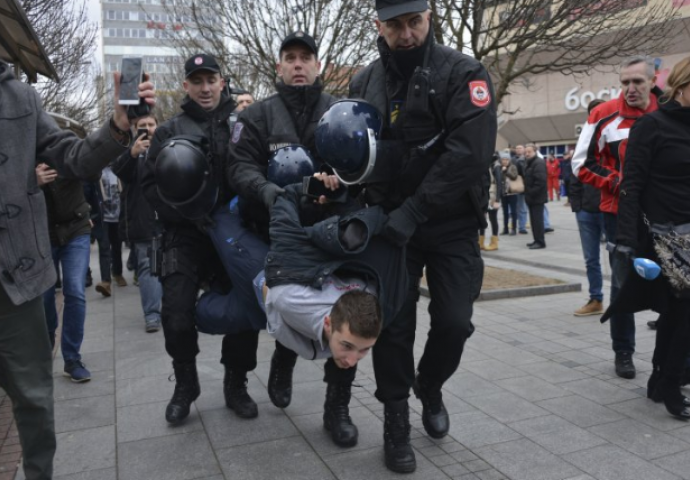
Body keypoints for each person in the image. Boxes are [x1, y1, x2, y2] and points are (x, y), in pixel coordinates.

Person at [349, 0, 496, 472]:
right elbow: (355, 149)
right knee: (392, 325)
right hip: (393, 225)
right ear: (379, 26)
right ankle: (396, 422)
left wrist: (416, 208)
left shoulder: (463, 71)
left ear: (429, 17)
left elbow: (469, 152)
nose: (407, 33)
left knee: (454, 321)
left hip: (450, 221)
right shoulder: (363, 81)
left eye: (414, 21)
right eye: (395, 25)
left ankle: (429, 385)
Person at [0, 57, 154, 480]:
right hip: (44, 245)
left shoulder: (21, 97)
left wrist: (119, 127)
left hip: (19, 273)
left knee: (33, 398)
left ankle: (71, 360)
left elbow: (74, 156)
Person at [228, 32, 351, 442]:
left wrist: (342, 181)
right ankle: (284, 355)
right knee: (284, 302)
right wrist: (269, 192)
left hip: (329, 230)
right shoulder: (257, 116)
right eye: (290, 57)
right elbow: (240, 167)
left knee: (343, 315)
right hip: (275, 229)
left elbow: (357, 162)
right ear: (279, 66)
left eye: (306, 57)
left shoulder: (339, 110)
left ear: (318, 65)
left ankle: (337, 408)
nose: (298, 64)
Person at [140, 53, 257, 425]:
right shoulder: (168, 131)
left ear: (222, 82)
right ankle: (186, 384)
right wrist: (187, 213)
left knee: (244, 310)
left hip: (233, 231)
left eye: (212, 80)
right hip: (185, 233)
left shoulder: (244, 125)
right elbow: (149, 185)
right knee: (174, 314)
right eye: (197, 81)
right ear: (186, 85)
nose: (205, 88)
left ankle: (236, 383)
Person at [604, 57, 690, 419]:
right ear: (682, 85)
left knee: (676, 312)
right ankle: (672, 381)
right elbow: (631, 186)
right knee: (686, 309)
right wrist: (625, 243)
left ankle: (659, 378)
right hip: (661, 235)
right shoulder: (652, 126)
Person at [573, 55, 662, 379]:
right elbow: (580, 163)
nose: (630, 89)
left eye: (637, 81)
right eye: (624, 82)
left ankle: (671, 357)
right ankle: (623, 351)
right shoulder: (602, 114)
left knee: (675, 284)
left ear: (653, 81)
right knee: (623, 285)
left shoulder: (669, 112)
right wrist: (617, 182)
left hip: (666, 216)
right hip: (618, 215)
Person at [40, 166, 95, 383]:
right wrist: (33, 181)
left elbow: (92, 170)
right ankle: (47, 339)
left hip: (76, 229)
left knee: (75, 291)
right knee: (44, 297)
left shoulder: (65, 146)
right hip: (41, 234)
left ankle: (72, 358)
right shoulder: (21, 149)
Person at [111, 114, 162, 332]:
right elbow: (118, 171)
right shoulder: (128, 152)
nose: (148, 129)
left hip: (168, 219)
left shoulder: (166, 147)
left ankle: (173, 310)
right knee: (148, 268)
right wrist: (133, 154)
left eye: (151, 125)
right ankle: (152, 315)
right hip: (142, 221)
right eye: (143, 126)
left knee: (170, 268)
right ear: (135, 129)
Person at [570, 99, 606, 317]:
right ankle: (596, 298)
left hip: (610, 209)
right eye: (593, 114)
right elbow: (574, 177)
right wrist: (578, 206)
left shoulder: (615, 142)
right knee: (591, 259)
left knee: (617, 257)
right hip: (586, 211)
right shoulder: (583, 146)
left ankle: (621, 301)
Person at [99, 165, 127, 287]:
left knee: (117, 246)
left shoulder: (119, 169)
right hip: (102, 216)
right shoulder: (97, 171)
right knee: (104, 247)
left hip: (117, 215)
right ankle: (105, 280)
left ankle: (118, 273)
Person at [523, 144, 547, 249]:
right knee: (533, 221)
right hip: (531, 197)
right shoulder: (529, 163)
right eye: (526, 152)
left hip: (537, 197)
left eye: (529, 152)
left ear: (535, 151)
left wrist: (531, 192)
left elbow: (540, 181)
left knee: (538, 221)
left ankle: (540, 242)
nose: (527, 154)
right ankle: (536, 240)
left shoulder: (538, 163)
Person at [480, 153, 500, 251]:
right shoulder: (485, 165)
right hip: (485, 195)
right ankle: (481, 241)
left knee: (493, 219)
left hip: (492, 195)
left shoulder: (495, 166)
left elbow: (499, 183)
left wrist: (497, 200)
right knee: (482, 219)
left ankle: (494, 242)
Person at [498, 150, 519, 236]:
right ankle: (505, 228)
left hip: (512, 193)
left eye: (506, 159)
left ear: (509, 160)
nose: (505, 161)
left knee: (513, 212)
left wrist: (506, 171)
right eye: (503, 159)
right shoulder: (499, 167)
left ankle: (513, 229)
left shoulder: (513, 167)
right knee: (505, 212)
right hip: (504, 193)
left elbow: (514, 176)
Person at [513, 144, 529, 234]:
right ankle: (522, 227)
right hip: (519, 186)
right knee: (520, 207)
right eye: (517, 148)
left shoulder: (528, 159)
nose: (518, 149)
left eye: (520, 148)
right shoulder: (513, 159)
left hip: (528, 186)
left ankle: (544, 225)